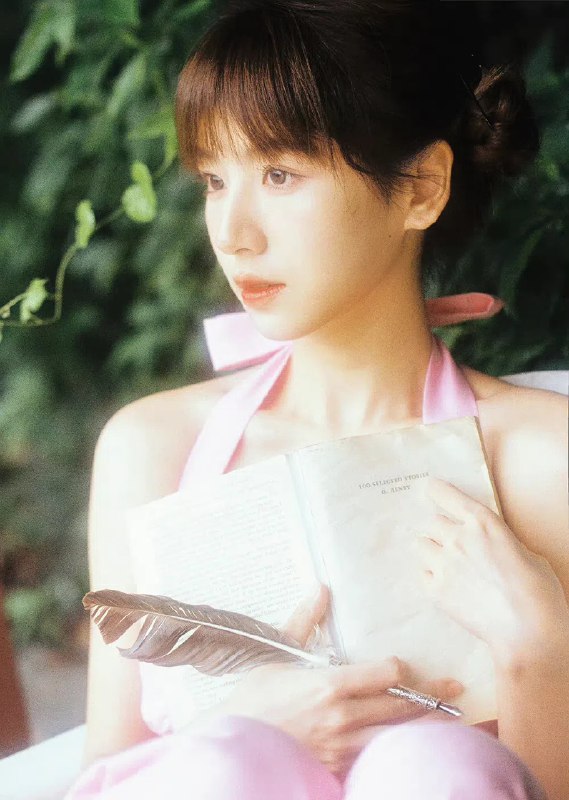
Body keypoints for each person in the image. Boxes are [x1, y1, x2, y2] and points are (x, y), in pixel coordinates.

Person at [66, 1, 569, 798]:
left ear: (421, 188)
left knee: (435, 765)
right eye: (213, 180)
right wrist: (241, 729)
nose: (232, 232)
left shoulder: (541, 457)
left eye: (279, 175)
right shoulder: (154, 449)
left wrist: (537, 652)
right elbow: (101, 778)